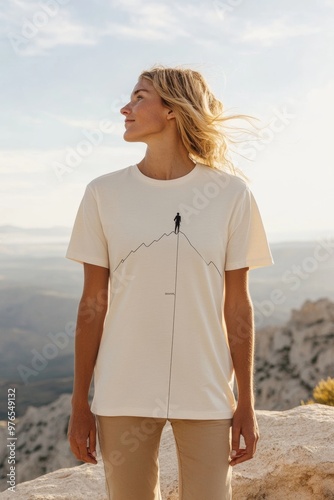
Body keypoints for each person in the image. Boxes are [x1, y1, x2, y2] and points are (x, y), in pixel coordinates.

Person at [66, 66, 273, 500]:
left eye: (139, 97)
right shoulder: (103, 193)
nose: (125, 108)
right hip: (121, 390)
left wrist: (247, 403)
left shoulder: (231, 195)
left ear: (174, 110)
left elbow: (238, 306)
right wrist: (79, 403)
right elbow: (93, 304)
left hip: (206, 389)